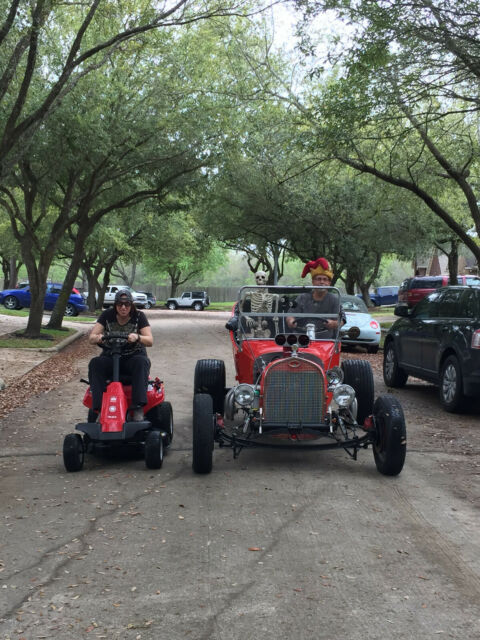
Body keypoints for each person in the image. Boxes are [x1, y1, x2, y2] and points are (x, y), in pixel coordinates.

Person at [88, 289, 153, 421]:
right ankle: (100, 408)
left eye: (127, 304)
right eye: (119, 304)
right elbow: (91, 337)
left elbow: (150, 340)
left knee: (141, 362)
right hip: (111, 356)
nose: (123, 307)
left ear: (131, 305)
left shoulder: (139, 316)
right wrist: (98, 338)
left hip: (133, 357)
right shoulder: (107, 315)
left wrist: (138, 337)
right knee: (95, 363)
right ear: (115, 305)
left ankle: (138, 407)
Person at [286, 257, 346, 337]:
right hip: (301, 339)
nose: (322, 282)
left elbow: (343, 319)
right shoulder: (302, 298)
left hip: (326, 341)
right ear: (313, 282)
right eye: (319, 279)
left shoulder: (334, 299)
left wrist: (334, 324)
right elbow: (290, 314)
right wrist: (291, 321)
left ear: (329, 283)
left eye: (325, 279)